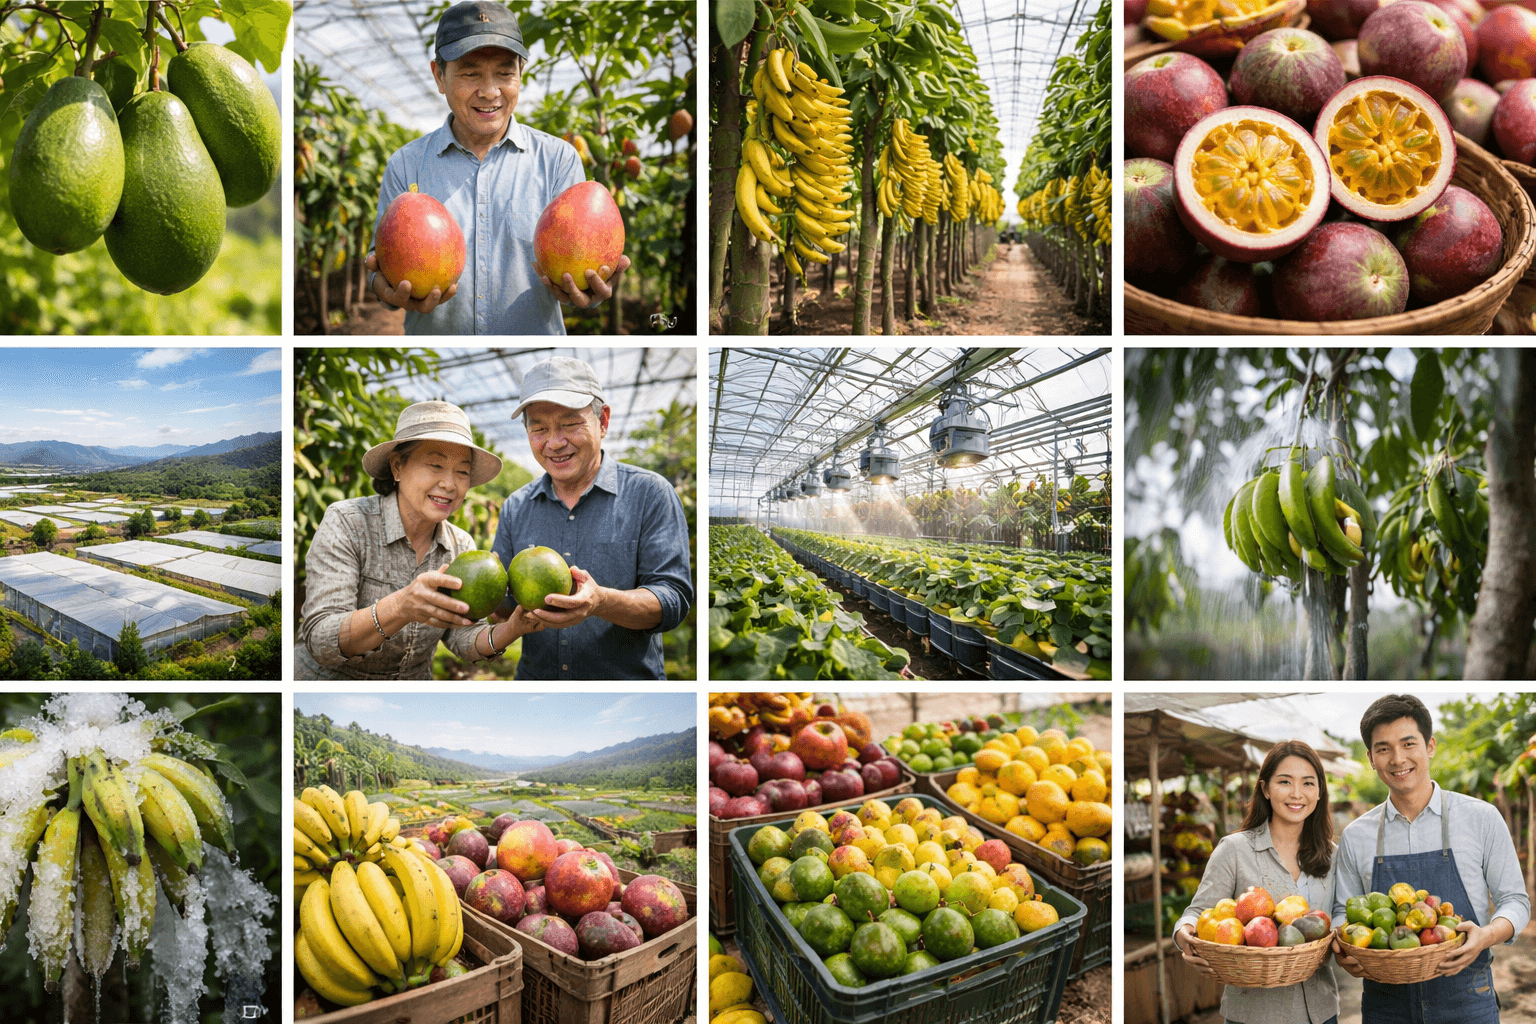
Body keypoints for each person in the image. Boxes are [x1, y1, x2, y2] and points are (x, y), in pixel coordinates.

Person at [363, 1, 631, 335]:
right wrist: (382, 288)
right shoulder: (406, 164)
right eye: (470, 73)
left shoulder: (559, 159)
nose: (490, 92)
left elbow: (583, 260)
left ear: (521, 74)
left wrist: (590, 292)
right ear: (439, 76)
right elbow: (381, 264)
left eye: (505, 73)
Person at [296, 401, 542, 679]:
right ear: (398, 467)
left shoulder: (461, 546)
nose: (450, 484)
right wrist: (400, 607)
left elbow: (463, 637)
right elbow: (320, 639)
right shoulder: (347, 522)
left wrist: (515, 627)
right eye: (435, 465)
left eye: (462, 471)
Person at [489, 356, 693, 680]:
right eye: (538, 428)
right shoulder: (516, 506)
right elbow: (503, 604)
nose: (555, 442)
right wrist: (469, 597)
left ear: (603, 422)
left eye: (570, 424)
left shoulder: (650, 494)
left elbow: (672, 599)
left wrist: (601, 601)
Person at [1332, 694, 1529, 1024]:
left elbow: (1515, 901)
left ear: (1430, 746)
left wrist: (1488, 935)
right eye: (1383, 749)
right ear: (1370, 757)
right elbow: (1343, 909)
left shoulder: (1481, 818)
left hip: (1466, 1000)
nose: (1398, 759)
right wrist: (1345, 948)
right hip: (1386, 1005)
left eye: (1409, 744)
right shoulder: (1356, 835)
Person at [1173, 740, 1339, 1024]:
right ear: (1265, 788)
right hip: (1252, 1014)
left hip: (1320, 1012)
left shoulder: (1333, 854)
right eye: (1285, 782)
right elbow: (1197, 912)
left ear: (1320, 792)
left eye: (1308, 783)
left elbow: (1340, 919)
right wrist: (1184, 937)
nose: (1297, 793)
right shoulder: (1235, 849)